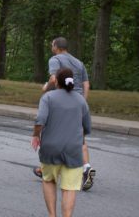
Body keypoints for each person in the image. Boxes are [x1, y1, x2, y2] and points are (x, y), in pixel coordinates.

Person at [33, 37, 95, 191]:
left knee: (53, 133)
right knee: (79, 137)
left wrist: (45, 89)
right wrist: (82, 102)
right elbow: (86, 84)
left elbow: (54, 79)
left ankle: (46, 167)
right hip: (77, 101)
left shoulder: (55, 60)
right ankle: (86, 168)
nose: (50, 47)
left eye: (51, 44)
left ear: (56, 47)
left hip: (59, 101)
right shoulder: (79, 62)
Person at [31, 68, 91, 217]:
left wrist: (36, 135)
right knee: (69, 188)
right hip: (73, 150)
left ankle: (52, 215)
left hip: (51, 148)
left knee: (49, 180)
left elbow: (40, 120)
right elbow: (87, 126)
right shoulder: (80, 100)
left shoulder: (48, 97)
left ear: (56, 81)